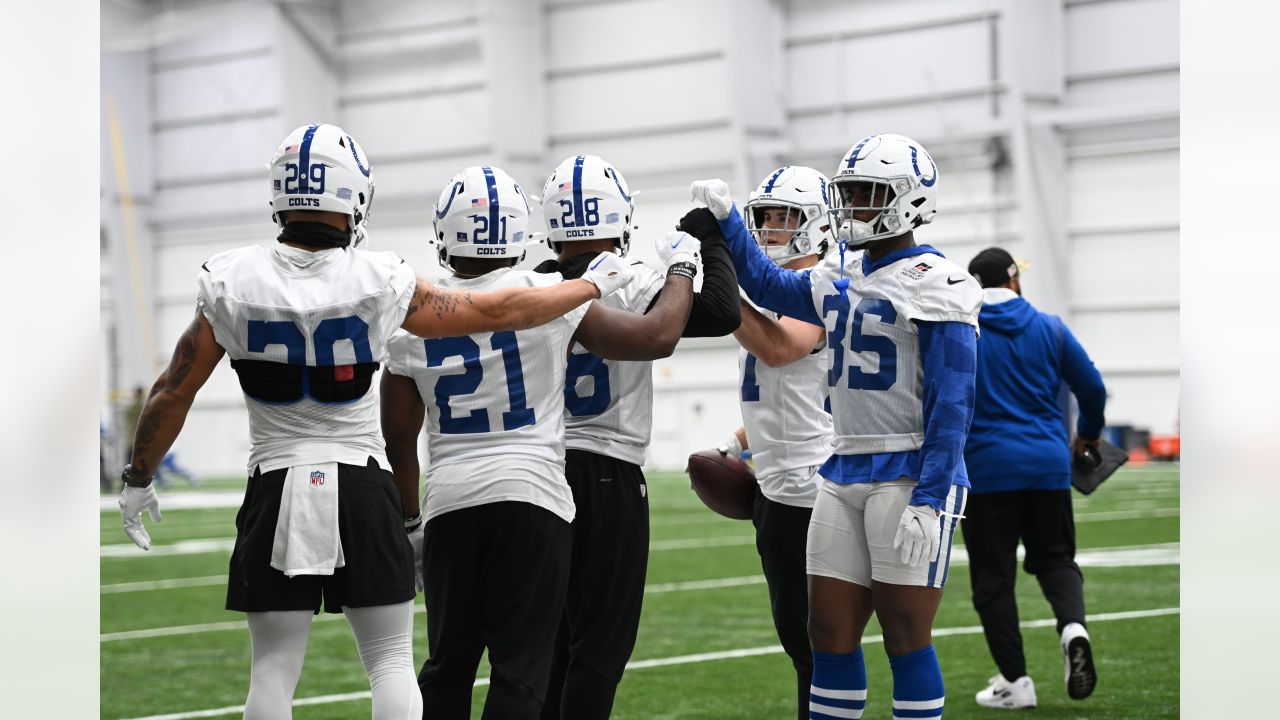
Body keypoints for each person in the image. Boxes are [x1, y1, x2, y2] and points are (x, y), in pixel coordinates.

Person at [115, 124, 636, 720]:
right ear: (354, 197)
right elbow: (497, 307)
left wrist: (138, 476)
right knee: (389, 663)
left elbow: (171, 393)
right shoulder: (378, 278)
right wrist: (590, 283)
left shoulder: (233, 278)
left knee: (272, 671)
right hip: (361, 484)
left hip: (276, 479)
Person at [381, 164, 700, 719]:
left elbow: (399, 439)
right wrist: (682, 268)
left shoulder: (415, 314)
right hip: (533, 498)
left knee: (447, 667)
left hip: (450, 499)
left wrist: (410, 522)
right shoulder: (546, 294)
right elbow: (655, 337)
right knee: (521, 674)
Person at [691, 132, 981, 720]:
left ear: (909, 200)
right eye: (848, 193)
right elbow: (769, 285)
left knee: (905, 636)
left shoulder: (937, 281)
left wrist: (932, 495)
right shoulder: (839, 276)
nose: (853, 207)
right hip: (841, 467)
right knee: (826, 633)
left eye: (868, 194)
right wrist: (727, 223)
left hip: (909, 468)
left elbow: (955, 400)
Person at [533, 154, 741, 720]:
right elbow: (723, 312)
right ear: (621, 216)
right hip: (606, 470)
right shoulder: (636, 281)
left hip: (540, 472)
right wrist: (704, 245)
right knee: (599, 650)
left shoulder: (532, 287)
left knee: (549, 647)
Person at [713, 165, 836, 719]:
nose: (769, 228)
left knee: (818, 643)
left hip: (812, 489)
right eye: (762, 216)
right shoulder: (774, 291)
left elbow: (782, 349)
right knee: (800, 641)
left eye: (783, 216)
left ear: (814, 221)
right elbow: (783, 389)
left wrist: (720, 292)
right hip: (779, 484)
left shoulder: (823, 285)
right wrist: (738, 440)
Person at [961, 247, 1105, 709]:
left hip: (985, 471)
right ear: (1014, 281)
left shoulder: (965, 330)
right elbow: (1093, 388)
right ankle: (1073, 628)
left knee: (994, 582)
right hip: (1047, 466)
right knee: (1057, 560)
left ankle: (1016, 683)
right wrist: (1089, 438)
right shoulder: (1051, 327)